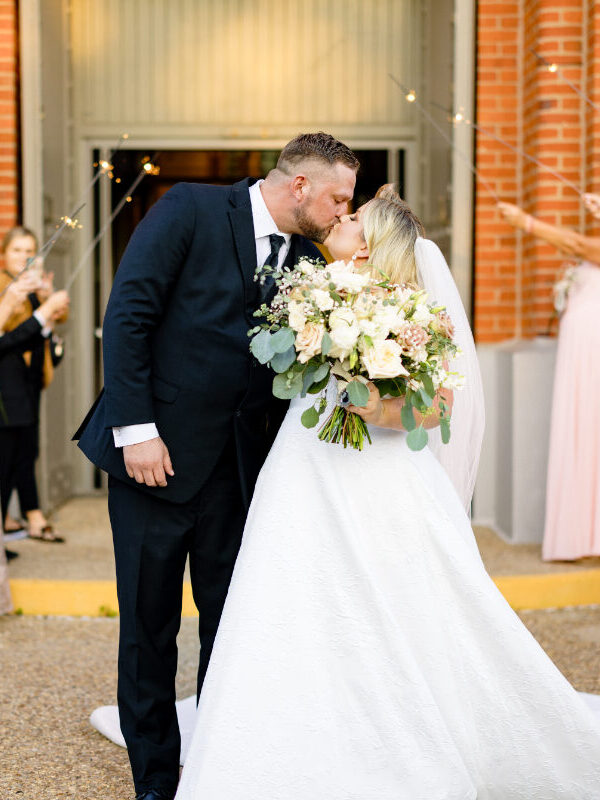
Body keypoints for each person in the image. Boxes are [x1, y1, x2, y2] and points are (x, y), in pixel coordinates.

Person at [168, 187, 600, 799]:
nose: (338, 219)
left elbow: (436, 410)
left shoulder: (418, 312)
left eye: (351, 218)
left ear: (369, 246)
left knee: (390, 602)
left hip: (381, 480)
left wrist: (373, 404)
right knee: (289, 594)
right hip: (303, 471)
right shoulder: (311, 290)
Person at [75, 132, 360, 800]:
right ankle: (154, 784)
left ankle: (218, 768)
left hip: (238, 475)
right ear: (300, 187)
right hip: (156, 462)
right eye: (339, 198)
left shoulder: (309, 258)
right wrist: (136, 430)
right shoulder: (190, 208)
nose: (344, 212)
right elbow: (129, 316)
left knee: (231, 630)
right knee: (149, 630)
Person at [498, 199, 600, 562]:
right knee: (584, 433)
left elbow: (574, 244)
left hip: (592, 359)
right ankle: (584, 535)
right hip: (580, 358)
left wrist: (526, 222)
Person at [0, 226, 67, 542]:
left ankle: (27, 515)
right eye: (17, 250)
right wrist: (41, 312)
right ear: (3, 255)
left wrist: (46, 307)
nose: (24, 256)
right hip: (7, 383)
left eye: (30, 251)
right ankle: (26, 516)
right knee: (10, 454)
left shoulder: (32, 289)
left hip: (31, 380)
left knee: (25, 451)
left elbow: (45, 340)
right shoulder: (6, 289)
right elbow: (8, 338)